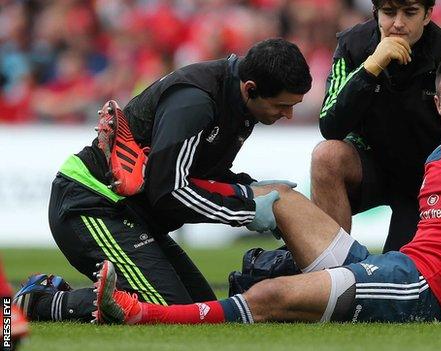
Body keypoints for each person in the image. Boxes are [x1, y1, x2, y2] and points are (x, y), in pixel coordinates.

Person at [94, 53, 441, 325]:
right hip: (398, 267)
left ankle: (143, 315)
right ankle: (42, 303)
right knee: (283, 200)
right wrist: (247, 199)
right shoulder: (437, 158)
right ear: (438, 106)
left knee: (273, 293)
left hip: (422, 289)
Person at [14, 38, 312, 323]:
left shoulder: (236, 101)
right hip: (93, 205)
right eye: (282, 105)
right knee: (170, 311)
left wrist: (248, 187)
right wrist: (246, 211)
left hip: (130, 213)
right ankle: (42, 301)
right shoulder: (196, 101)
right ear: (250, 88)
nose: (288, 114)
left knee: (201, 309)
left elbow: (197, 174)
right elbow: (169, 191)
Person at [311, 0, 441, 253]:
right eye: (389, 13)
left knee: (404, 276)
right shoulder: (353, 45)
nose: (399, 23)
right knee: (327, 156)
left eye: (410, 13)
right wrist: (372, 66)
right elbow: (330, 126)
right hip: (371, 168)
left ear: (427, 15)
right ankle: (332, 272)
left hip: (430, 179)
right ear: (376, 13)